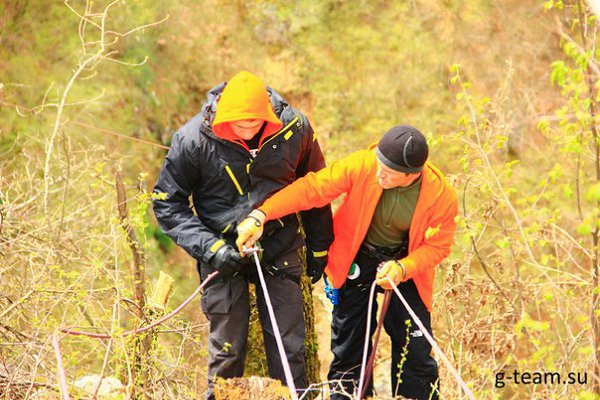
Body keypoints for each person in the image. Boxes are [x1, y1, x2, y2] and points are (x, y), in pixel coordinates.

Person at [237, 125, 458, 400]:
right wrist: (262, 214)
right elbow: (313, 189)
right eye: (379, 165)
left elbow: (438, 246)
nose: (379, 174)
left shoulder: (439, 195)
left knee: (415, 349)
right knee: (349, 346)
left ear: (411, 174)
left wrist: (404, 268)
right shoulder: (363, 165)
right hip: (358, 257)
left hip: (406, 262)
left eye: (388, 172)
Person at [152, 71, 333, 399]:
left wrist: (320, 247)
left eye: (255, 122)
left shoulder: (294, 130)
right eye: (239, 124)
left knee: (288, 347)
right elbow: (167, 204)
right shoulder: (192, 140)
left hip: (279, 244)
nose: (248, 130)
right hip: (220, 249)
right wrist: (211, 248)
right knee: (227, 352)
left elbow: (315, 186)